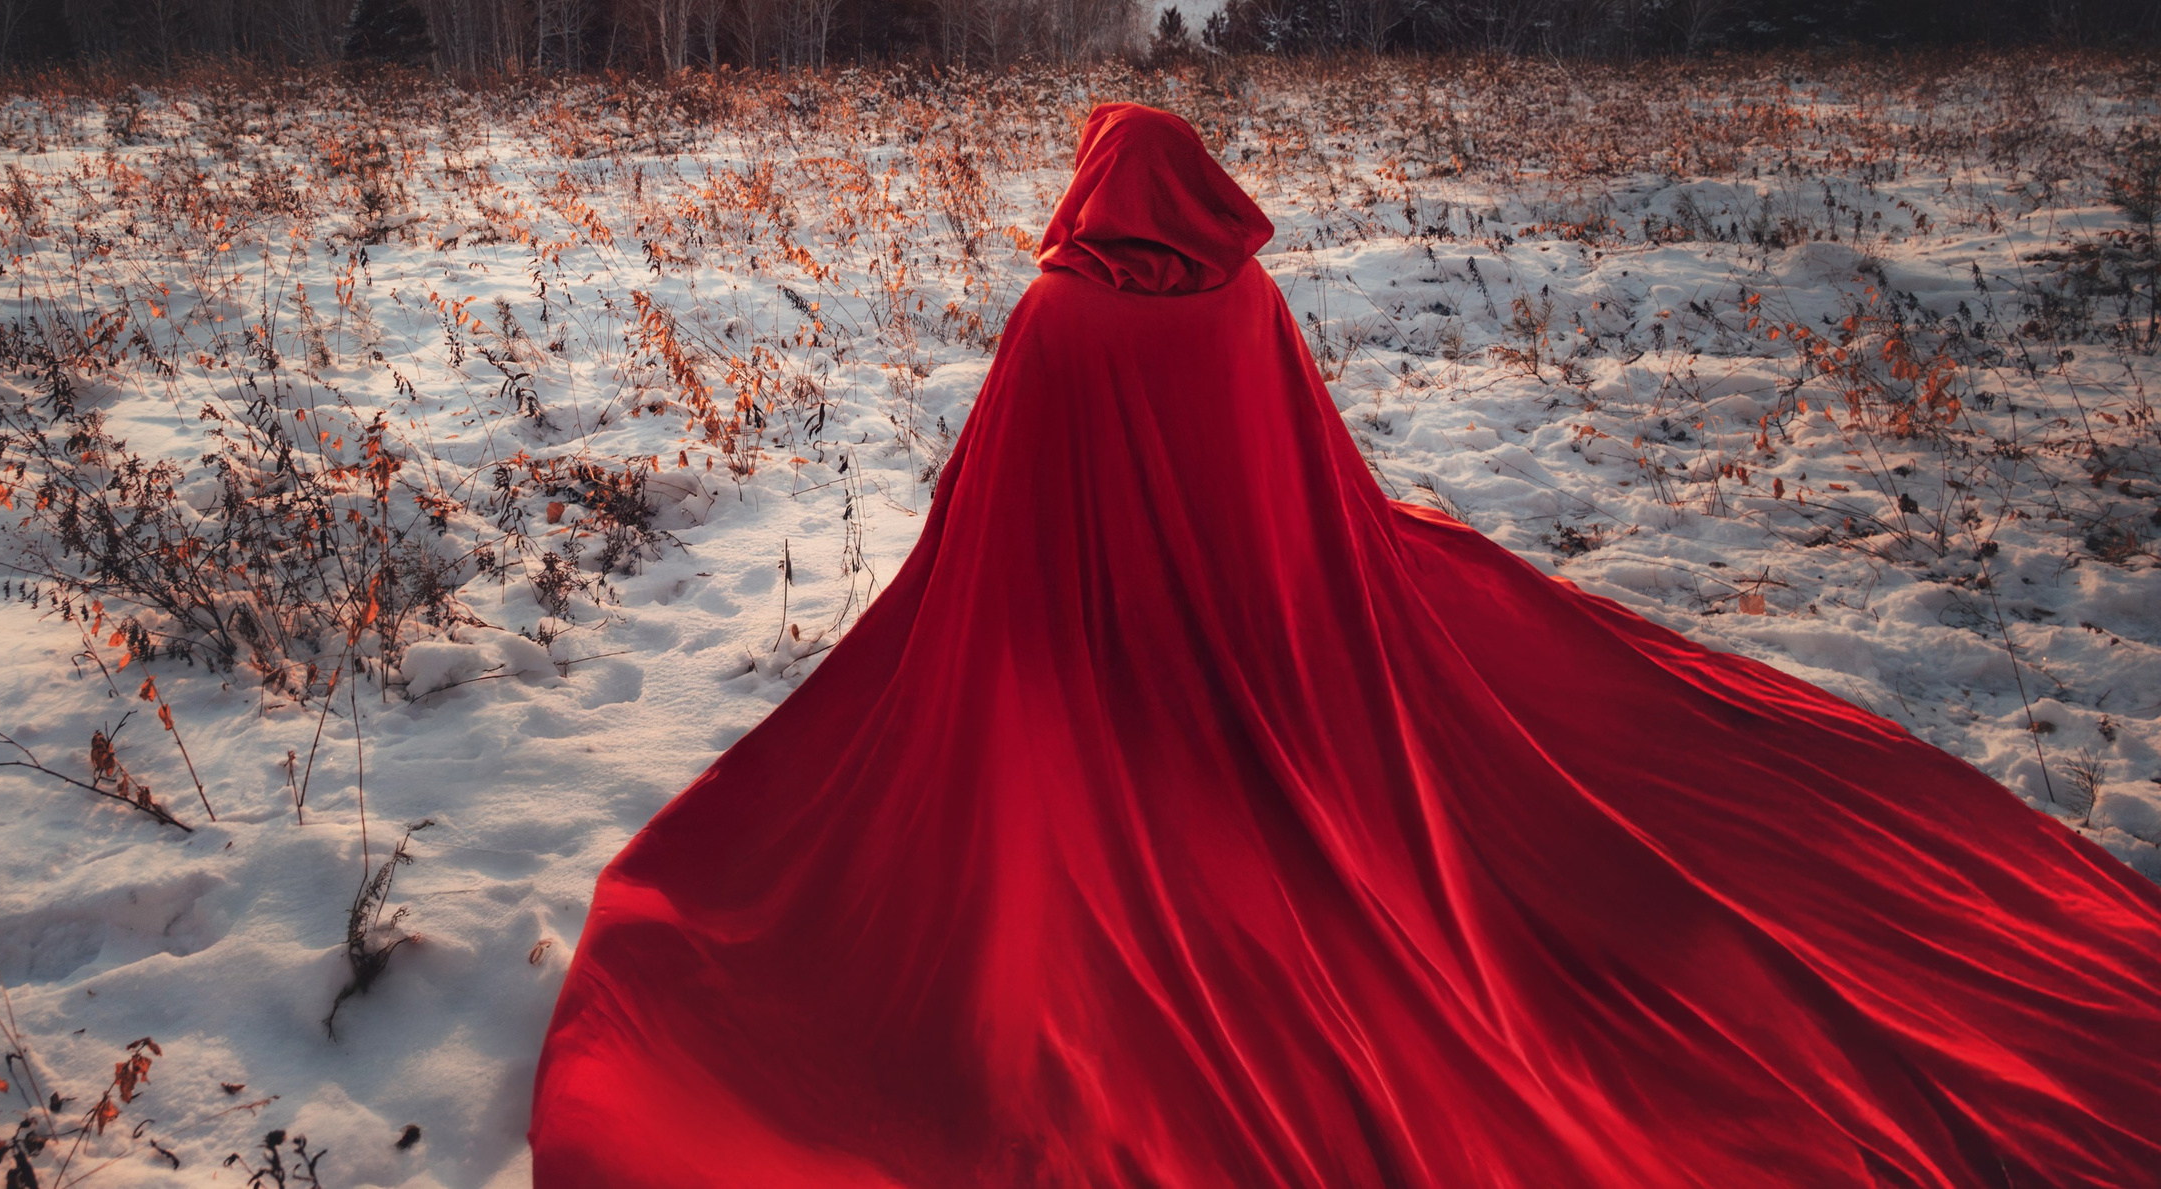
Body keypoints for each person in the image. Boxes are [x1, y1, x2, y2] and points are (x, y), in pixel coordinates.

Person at [531, 102, 2161, 1187]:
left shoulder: (1060, 317)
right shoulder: (1247, 305)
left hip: (1090, 663)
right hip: (1291, 631)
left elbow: (992, 519)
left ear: (1093, 191)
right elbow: (1313, 491)